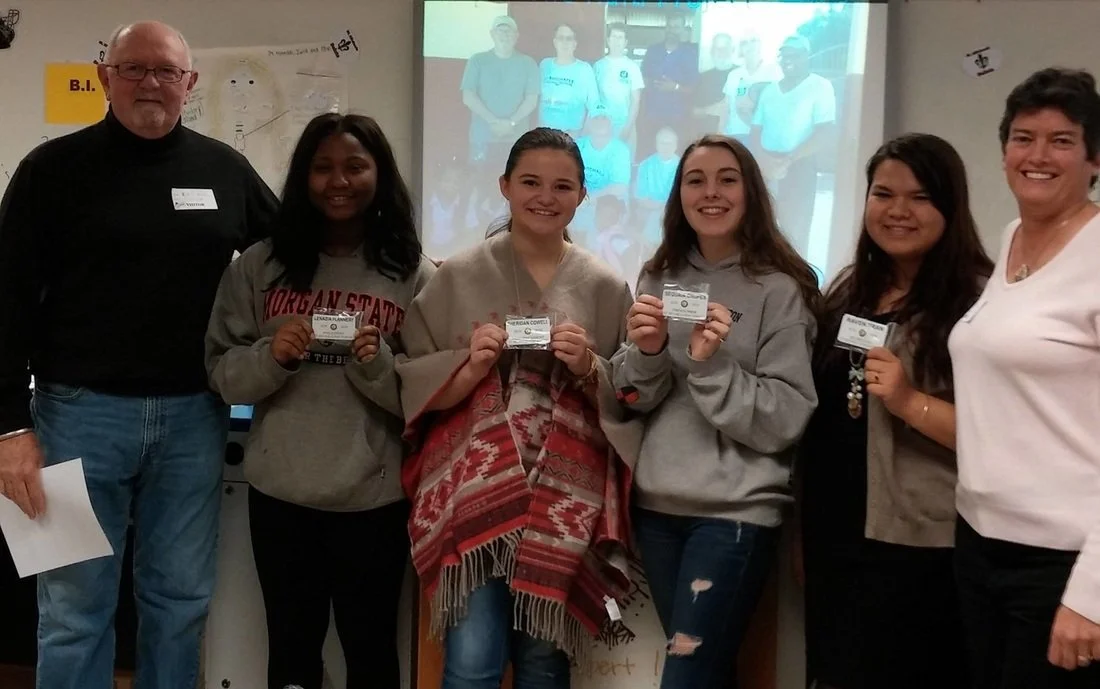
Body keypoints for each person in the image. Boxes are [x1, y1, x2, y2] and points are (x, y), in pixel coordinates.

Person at [0, 20, 277, 689]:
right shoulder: (50, 170)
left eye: (165, 71)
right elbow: (4, 301)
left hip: (193, 419)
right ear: (104, 77)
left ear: (190, 83)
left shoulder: (225, 169)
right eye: (133, 68)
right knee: (71, 609)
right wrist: (10, 428)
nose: (150, 83)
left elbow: (294, 257)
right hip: (72, 418)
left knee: (179, 602)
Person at [396, 127, 642, 689]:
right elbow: (412, 382)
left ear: (582, 196)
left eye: (562, 186)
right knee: (472, 661)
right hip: (473, 503)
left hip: (563, 508)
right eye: (530, 182)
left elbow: (630, 394)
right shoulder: (456, 274)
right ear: (505, 186)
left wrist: (587, 367)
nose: (544, 197)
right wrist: (472, 366)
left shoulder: (605, 286)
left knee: (543, 662)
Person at [204, 113, 434, 689]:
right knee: (291, 647)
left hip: (375, 500)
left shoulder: (413, 275)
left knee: (372, 650)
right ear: (302, 178)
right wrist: (270, 358)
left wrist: (377, 365)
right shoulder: (260, 266)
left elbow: (430, 396)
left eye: (355, 166)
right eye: (323, 167)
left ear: (379, 175)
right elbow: (220, 373)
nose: (339, 180)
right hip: (281, 495)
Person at [612, 134, 820, 689]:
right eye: (695, 180)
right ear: (678, 193)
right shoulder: (657, 275)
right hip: (657, 508)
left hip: (735, 516)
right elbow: (632, 396)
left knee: (686, 679)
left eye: (727, 179)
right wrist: (649, 354)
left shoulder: (780, 291)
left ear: (750, 191)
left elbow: (785, 417)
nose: (711, 193)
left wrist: (709, 367)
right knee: (706, 675)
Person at [797, 133, 993, 689]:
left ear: (950, 208)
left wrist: (909, 401)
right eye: (883, 194)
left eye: (920, 197)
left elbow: (999, 435)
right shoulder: (847, 293)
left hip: (921, 544)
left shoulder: (979, 304)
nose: (898, 211)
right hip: (837, 532)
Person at [949, 67, 1100, 688]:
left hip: (1063, 563)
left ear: (1095, 158)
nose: (1037, 156)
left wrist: (1091, 593)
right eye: (1022, 137)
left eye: (1061, 140)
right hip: (980, 543)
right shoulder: (1013, 237)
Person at [750, 34, 836, 257]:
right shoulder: (769, 91)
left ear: (806, 57)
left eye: (794, 55)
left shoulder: (820, 86)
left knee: (795, 230)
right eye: (784, 56)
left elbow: (825, 132)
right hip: (766, 166)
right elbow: (756, 130)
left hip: (799, 165)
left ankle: (795, 282)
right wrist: (763, 160)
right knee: (760, 227)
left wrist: (789, 160)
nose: (787, 60)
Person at [460, 15, 540, 170]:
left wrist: (510, 123)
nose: (505, 35)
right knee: (480, 180)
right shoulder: (477, 60)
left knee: (517, 182)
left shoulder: (528, 63)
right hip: (482, 136)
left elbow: (531, 100)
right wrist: (494, 122)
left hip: (517, 138)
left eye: (509, 31)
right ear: (492, 34)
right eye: (500, 30)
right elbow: (468, 97)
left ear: (517, 36)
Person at [538, 23, 600, 137]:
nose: (564, 42)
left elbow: (594, 106)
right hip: (544, 137)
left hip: (571, 136)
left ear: (575, 44)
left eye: (569, 39)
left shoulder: (584, 69)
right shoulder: (544, 65)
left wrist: (582, 135)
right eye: (561, 38)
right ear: (555, 42)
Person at [595, 23, 644, 146]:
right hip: (603, 127)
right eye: (614, 37)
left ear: (626, 42)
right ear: (608, 40)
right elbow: (594, 99)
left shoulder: (632, 67)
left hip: (626, 126)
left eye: (620, 37)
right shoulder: (598, 66)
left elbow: (636, 101)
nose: (617, 41)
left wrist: (627, 129)